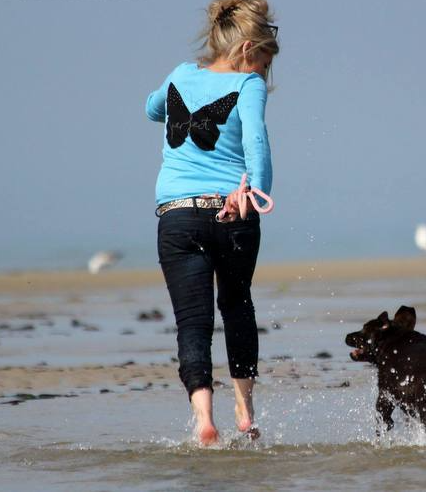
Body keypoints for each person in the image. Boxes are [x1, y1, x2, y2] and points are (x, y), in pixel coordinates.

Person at [145, 0, 278, 445]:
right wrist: (254, 194)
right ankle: (244, 409)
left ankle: (204, 418)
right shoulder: (248, 84)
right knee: (237, 305)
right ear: (247, 49)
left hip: (178, 216)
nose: (264, 74)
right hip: (231, 212)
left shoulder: (180, 74)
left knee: (192, 322)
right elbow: (256, 142)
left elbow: (151, 109)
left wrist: (179, 104)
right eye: (264, 63)